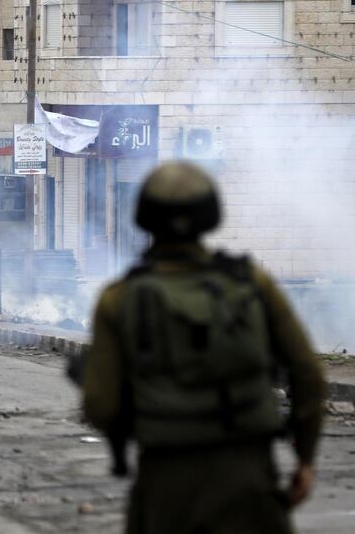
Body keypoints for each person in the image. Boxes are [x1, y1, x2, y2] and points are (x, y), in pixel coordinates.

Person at [81, 161, 325, 533]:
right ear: (210, 214)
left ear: (145, 217)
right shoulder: (252, 284)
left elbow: (101, 407)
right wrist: (305, 460)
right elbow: (308, 374)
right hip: (249, 481)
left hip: (166, 487)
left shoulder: (120, 298)